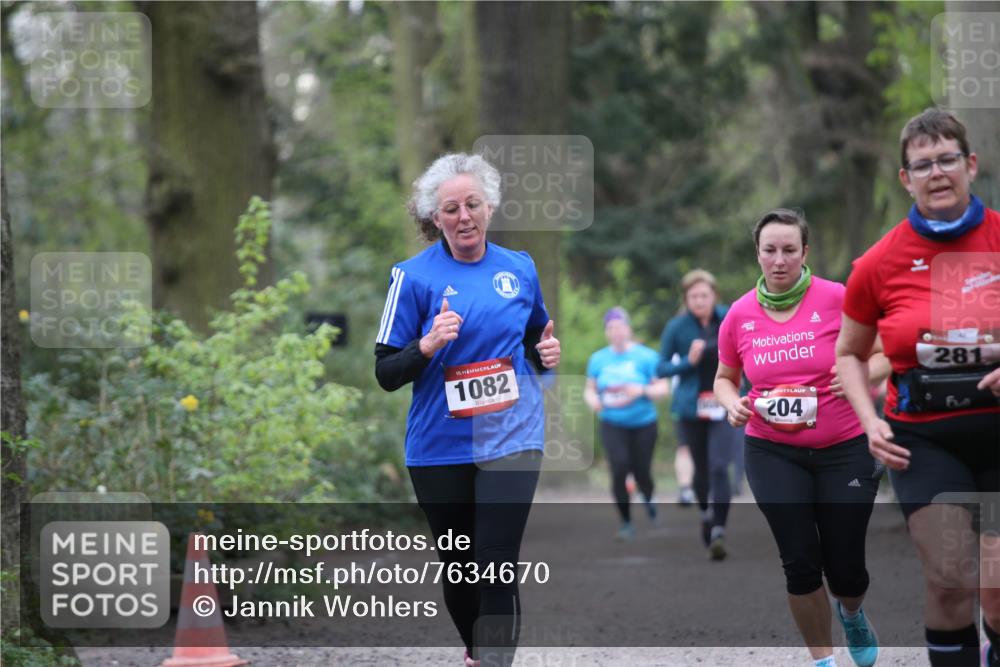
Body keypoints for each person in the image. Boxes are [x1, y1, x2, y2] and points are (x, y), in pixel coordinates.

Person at [374, 153, 560, 667]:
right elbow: (386, 372)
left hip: (513, 434)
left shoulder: (519, 268)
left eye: (473, 204)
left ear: (490, 207)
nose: (464, 217)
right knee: (460, 567)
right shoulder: (411, 277)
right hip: (439, 443)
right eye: (451, 208)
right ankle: (477, 653)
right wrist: (427, 344)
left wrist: (545, 354)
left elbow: (534, 339)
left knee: (496, 562)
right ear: (435, 217)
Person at [835, 109, 1000, 667]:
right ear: (906, 178)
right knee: (951, 579)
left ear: (970, 164)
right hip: (922, 442)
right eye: (923, 165)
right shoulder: (878, 263)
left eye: (947, 159)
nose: (937, 172)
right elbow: (849, 355)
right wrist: (868, 421)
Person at [714, 208, 889, 667]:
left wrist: (860, 374)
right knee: (799, 560)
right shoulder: (739, 314)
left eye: (789, 250)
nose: (779, 260)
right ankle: (822, 660)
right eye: (770, 250)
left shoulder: (837, 297)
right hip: (772, 451)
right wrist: (732, 403)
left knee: (846, 567)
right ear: (757, 253)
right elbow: (724, 378)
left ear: (805, 252)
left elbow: (884, 353)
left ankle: (852, 612)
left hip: (845, 447)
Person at [658, 269, 738, 560]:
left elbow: (748, 350)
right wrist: (687, 362)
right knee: (701, 470)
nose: (699, 301)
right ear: (686, 299)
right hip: (691, 407)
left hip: (725, 402)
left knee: (719, 466)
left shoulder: (730, 317)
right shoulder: (677, 327)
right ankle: (706, 512)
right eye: (693, 296)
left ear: (714, 295)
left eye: (704, 295)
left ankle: (719, 529)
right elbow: (661, 368)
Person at [584, 307, 670, 540]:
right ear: (606, 332)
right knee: (619, 468)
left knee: (642, 472)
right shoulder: (598, 359)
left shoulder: (646, 356)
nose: (616, 332)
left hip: (643, 423)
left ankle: (649, 498)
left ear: (629, 329)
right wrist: (593, 401)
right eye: (611, 328)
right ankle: (626, 522)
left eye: (620, 327)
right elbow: (590, 389)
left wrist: (640, 390)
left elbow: (663, 388)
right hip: (612, 423)